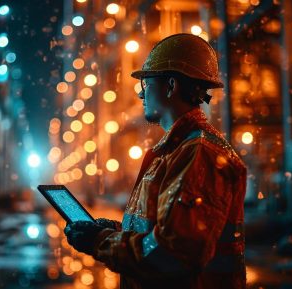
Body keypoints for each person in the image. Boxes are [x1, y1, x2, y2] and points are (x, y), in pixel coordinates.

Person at [64, 33, 247, 289]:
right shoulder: (175, 151)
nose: (141, 96)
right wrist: (114, 231)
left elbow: (171, 257)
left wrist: (100, 241)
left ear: (171, 86)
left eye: (145, 85)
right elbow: (163, 231)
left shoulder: (199, 154)